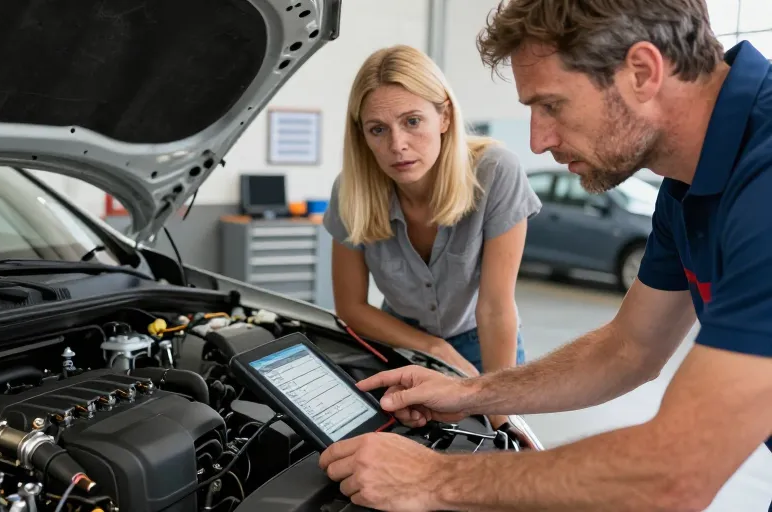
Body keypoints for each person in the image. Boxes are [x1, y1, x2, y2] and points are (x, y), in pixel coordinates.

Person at [317, 1, 772, 511]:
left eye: (551, 105)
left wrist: (431, 477)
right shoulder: (684, 186)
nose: (537, 142)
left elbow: (675, 473)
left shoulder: (765, 178)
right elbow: (627, 349)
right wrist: (471, 394)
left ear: (642, 72)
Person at [322, 44, 542, 387]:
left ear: (445, 117)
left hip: (484, 342)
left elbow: (495, 309)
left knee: (498, 422)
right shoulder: (350, 191)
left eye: (412, 121)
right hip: (398, 341)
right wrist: (432, 347)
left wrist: (498, 405)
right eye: (378, 129)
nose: (397, 145)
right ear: (362, 135)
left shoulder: (496, 171)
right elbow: (351, 307)